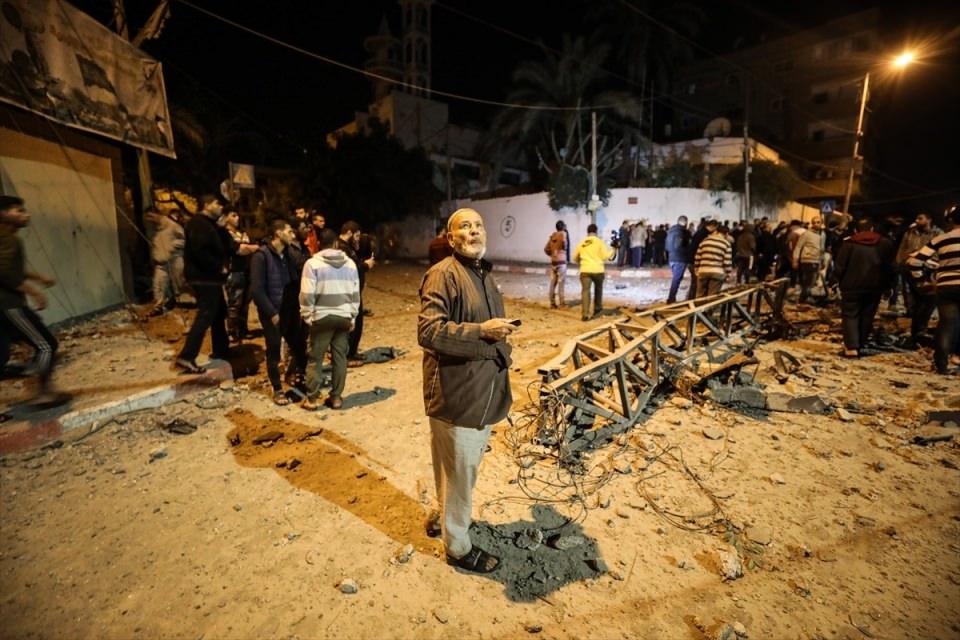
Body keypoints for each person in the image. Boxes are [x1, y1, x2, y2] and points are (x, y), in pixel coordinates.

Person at [417, 207, 516, 574]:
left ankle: (442, 518)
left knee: (451, 467)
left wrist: (499, 338)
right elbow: (428, 332)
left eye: (478, 225)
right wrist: (481, 332)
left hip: (479, 391)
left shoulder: (482, 273)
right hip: (457, 395)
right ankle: (458, 546)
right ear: (450, 237)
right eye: (465, 226)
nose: (474, 231)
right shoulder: (443, 274)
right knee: (462, 474)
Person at [0, 195, 70, 407]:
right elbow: (4, 272)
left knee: (6, 352)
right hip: (9, 305)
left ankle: (32, 378)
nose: (26, 215)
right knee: (46, 345)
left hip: (6, 305)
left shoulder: (5, 237)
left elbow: (12, 269)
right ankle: (43, 393)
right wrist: (34, 292)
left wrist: (38, 278)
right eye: (19, 211)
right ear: (3, 214)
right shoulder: (9, 239)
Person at [299, 228, 361, 410]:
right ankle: (336, 398)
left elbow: (306, 294)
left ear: (319, 244)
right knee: (340, 358)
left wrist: (307, 316)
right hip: (343, 317)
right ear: (335, 243)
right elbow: (355, 294)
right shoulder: (350, 264)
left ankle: (312, 400)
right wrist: (352, 316)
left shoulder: (312, 264)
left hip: (321, 317)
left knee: (315, 359)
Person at [176, 194, 230, 374]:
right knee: (206, 315)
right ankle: (187, 356)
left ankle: (221, 351)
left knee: (218, 313)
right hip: (204, 277)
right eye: (217, 203)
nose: (221, 207)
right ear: (206, 205)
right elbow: (201, 251)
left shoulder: (210, 224)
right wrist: (218, 266)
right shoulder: (198, 224)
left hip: (211, 278)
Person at [250, 219, 299, 405]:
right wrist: (272, 313)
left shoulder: (287, 255)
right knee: (273, 351)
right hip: (272, 313)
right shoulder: (261, 257)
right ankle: (277, 389)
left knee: (298, 346)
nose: (293, 235)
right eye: (289, 231)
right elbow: (257, 290)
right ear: (278, 234)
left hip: (289, 311)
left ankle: (291, 375)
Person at [907, 206, 960, 374]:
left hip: (946, 286)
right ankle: (957, 357)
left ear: (950, 220)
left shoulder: (941, 238)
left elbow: (914, 262)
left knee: (946, 324)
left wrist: (921, 281)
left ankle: (941, 364)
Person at [834, 218, 895, 358]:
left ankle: (851, 348)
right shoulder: (885, 244)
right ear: (872, 229)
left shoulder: (849, 243)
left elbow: (840, 265)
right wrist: (889, 285)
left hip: (851, 286)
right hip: (875, 286)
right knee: (867, 315)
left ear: (856, 230)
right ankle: (861, 343)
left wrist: (835, 281)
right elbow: (890, 267)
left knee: (850, 315)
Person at [896, 212, 940, 345]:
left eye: (920, 218)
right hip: (909, 270)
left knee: (927, 301)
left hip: (928, 271)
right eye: (916, 218)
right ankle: (916, 332)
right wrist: (900, 263)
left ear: (929, 220)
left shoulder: (937, 234)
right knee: (913, 301)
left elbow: (938, 253)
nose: (917, 220)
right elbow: (902, 249)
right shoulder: (910, 233)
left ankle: (921, 330)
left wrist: (927, 262)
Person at [336, 221, 375, 367]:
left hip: (354, 291)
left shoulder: (349, 247)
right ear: (349, 233)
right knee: (349, 325)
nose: (358, 239)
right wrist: (365, 265)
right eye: (357, 236)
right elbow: (349, 268)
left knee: (357, 323)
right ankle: (346, 356)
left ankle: (352, 352)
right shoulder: (341, 248)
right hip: (347, 293)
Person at [220, 208, 258, 343]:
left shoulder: (243, 233)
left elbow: (247, 247)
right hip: (234, 272)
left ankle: (243, 329)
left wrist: (248, 248)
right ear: (226, 217)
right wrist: (252, 248)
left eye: (237, 215)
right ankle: (232, 331)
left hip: (247, 270)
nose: (237, 218)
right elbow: (238, 250)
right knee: (234, 303)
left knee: (245, 302)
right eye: (233, 215)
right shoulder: (224, 234)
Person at [146, 207, 185, 316]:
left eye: (151, 216)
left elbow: (182, 240)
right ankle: (159, 306)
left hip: (174, 260)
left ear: (157, 214)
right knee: (158, 284)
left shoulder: (173, 226)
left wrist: (171, 247)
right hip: (160, 262)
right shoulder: (154, 230)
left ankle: (182, 304)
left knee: (179, 284)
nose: (149, 220)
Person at [573, 223, 615, 321]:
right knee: (598, 289)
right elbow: (605, 256)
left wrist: (582, 262)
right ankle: (597, 309)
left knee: (585, 291)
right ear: (596, 232)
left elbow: (575, 258)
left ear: (587, 232)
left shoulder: (581, 243)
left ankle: (585, 314)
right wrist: (614, 249)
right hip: (598, 270)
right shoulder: (599, 242)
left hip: (585, 270)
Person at [693, 219, 732, 298]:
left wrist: (696, 270)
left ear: (716, 231)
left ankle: (699, 306)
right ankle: (710, 306)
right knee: (712, 297)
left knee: (699, 296)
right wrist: (728, 274)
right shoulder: (726, 244)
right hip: (717, 273)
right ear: (726, 234)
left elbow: (697, 257)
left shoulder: (704, 241)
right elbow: (727, 262)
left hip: (703, 271)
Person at [792, 217, 824, 303]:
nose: (816, 224)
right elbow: (798, 247)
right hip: (807, 260)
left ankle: (805, 298)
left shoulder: (819, 236)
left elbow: (820, 250)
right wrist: (795, 260)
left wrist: (821, 261)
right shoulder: (806, 234)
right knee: (807, 281)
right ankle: (803, 299)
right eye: (814, 222)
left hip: (815, 260)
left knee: (811, 282)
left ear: (821, 224)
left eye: (818, 222)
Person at [665, 215, 692, 303]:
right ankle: (671, 298)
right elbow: (685, 246)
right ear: (685, 222)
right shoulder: (684, 232)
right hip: (680, 258)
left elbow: (667, 245)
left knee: (676, 278)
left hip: (671, 257)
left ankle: (672, 298)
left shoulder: (670, 231)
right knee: (676, 279)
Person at [544, 220, 567, 308]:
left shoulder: (552, 236)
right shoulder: (563, 234)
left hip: (554, 262)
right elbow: (564, 245)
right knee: (561, 283)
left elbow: (546, 249)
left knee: (553, 283)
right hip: (561, 262)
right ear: (563, 227)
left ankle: (552, 303)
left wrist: (552, 254)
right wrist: (563, 248)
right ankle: (562, 303)